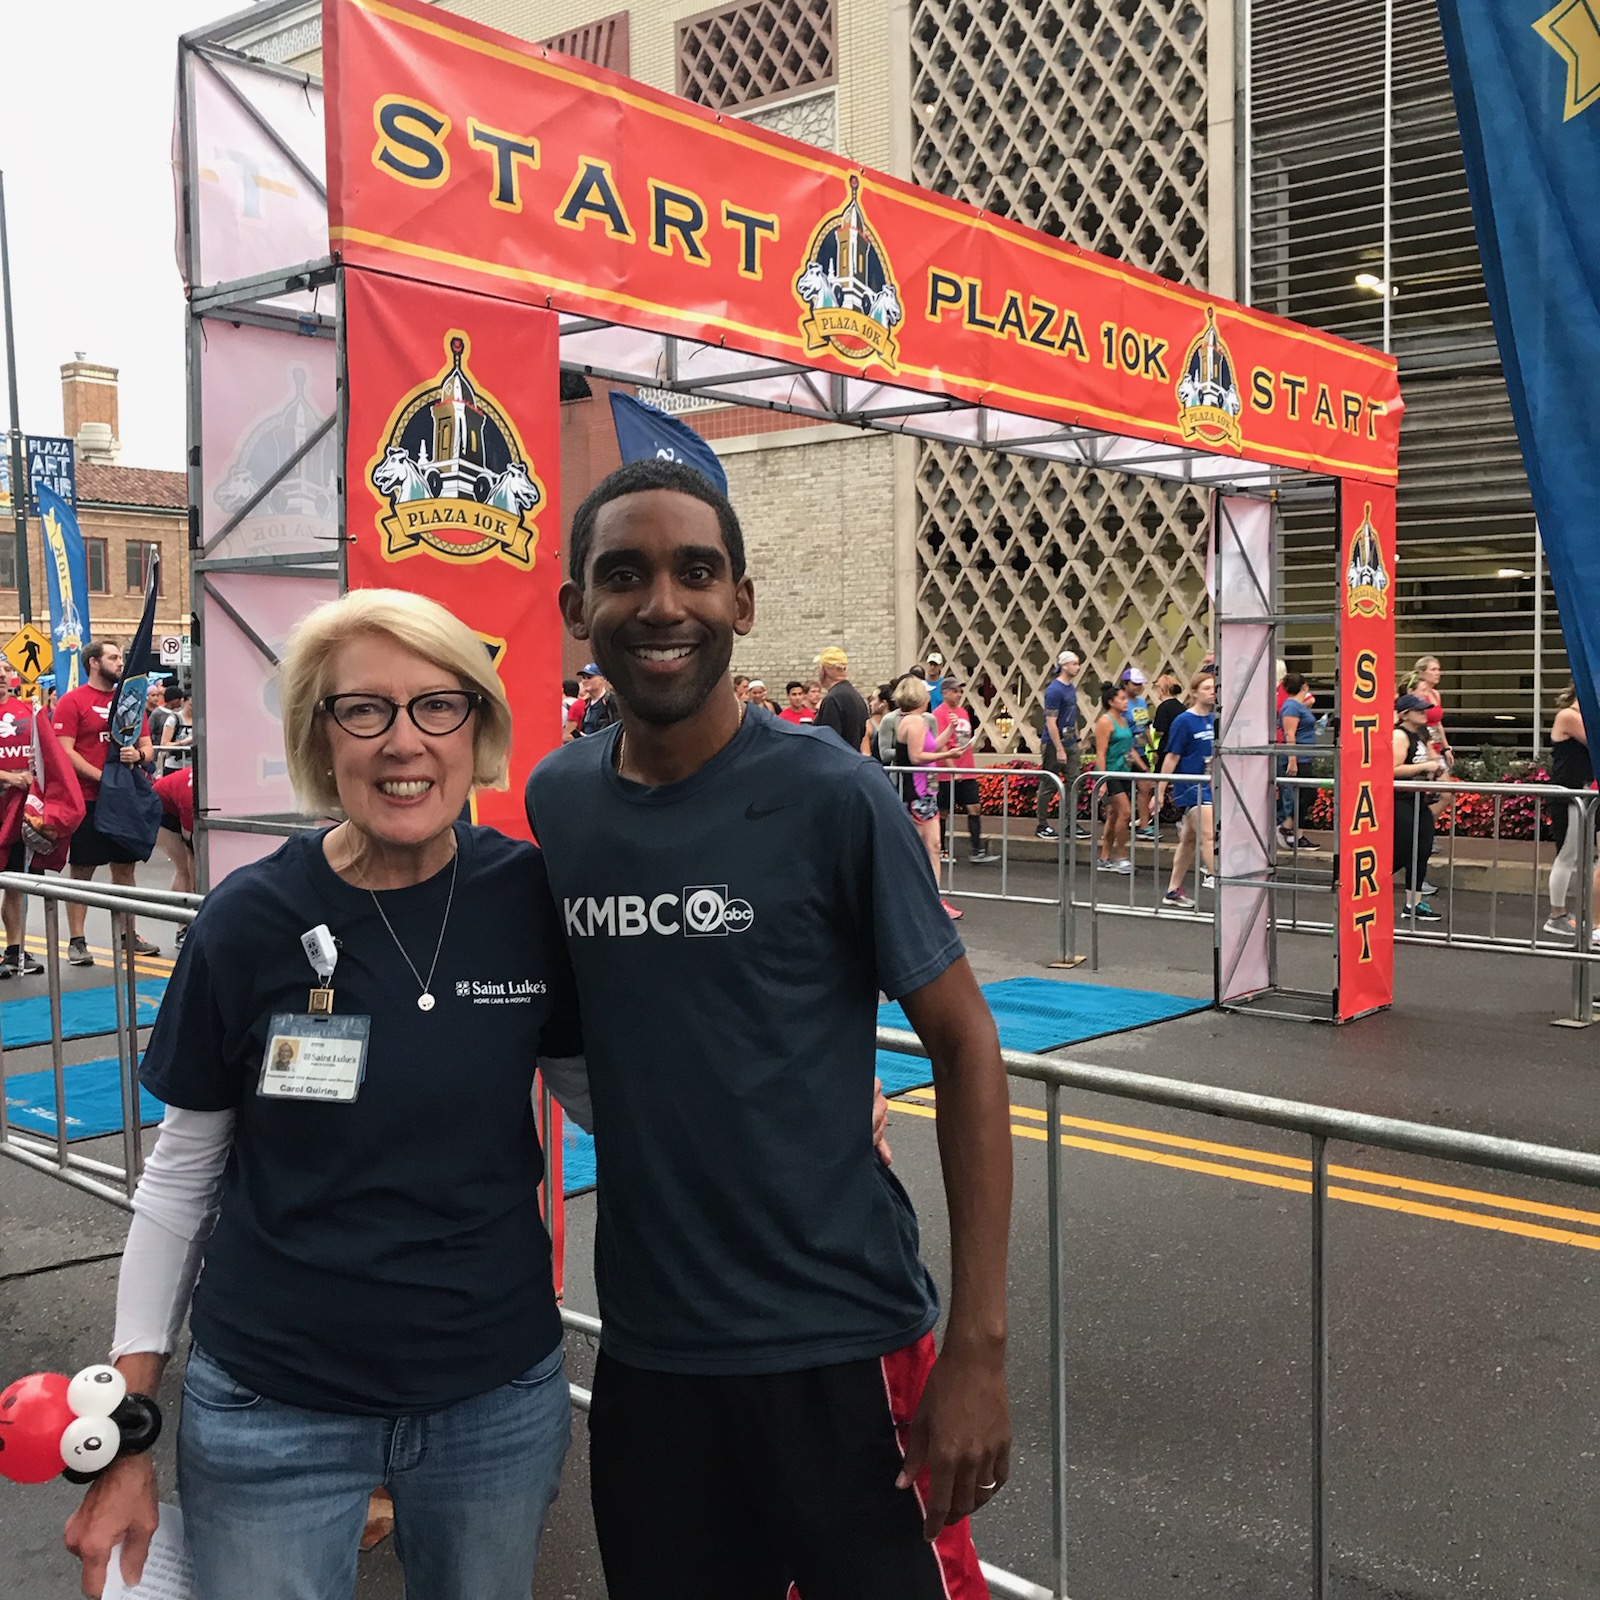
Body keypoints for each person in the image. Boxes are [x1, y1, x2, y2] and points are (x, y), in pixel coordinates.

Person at [529, 458, 1012, 1599]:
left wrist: (978, 1351)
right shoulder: (561, 799)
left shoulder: (833, 794)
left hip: (842, 1344)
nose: (661, 604)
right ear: (572, 610)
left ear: (740, 602)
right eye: (623, 575)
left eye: (696, 572)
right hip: (651, 1351)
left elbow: (965, 1043)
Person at [64, 589, 589, 1600]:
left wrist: (797, 1111)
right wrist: (125, 1435)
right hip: (273, 1408)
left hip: (494, 1397)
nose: (404, 742)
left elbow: (605, 1096)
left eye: (437, 705)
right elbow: (179, 1180)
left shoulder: (526, 897)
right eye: (364, 710)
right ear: (320, 734)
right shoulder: (249, 920)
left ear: (476, 723)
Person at [53, 640, 157, 965]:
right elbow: (64, 751)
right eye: (113, 657)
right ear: (94, 663)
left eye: (121, 657)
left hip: (122, 799)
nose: (120, 662)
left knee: (124, 870)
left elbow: (148, 748)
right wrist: (102, 777)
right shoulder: (72, 702)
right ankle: (77, 941)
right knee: (82, 870)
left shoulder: (129, 702)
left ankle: (128, 936)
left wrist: (137, 755)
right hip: (88, 800)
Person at [895, 676, 966, 919]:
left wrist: (950, 732)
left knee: (932, 847)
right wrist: (950, 752)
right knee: (928, 847)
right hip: (918, 791)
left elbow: (931, 747)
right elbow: (917, 756)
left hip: (923, 791)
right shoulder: (914, 722)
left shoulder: (915, 721)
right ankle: (927, 901)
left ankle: (931, 899)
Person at [0, 680, 47, 977]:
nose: (2, 676)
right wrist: (7, 776)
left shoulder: (27, 712)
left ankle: (15, 952)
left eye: (4, 670)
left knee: (15, 883)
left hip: (17, 812)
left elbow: (46, 755)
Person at [1158, 672, 1217, 909]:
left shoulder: (1214, 718)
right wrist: (1160, 790)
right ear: (1194, 693)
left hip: (1211, 784)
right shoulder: (1183, 721)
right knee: (1209, 833)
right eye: (1206, 688)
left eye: (1214, 688)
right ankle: (1218, 878)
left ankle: (1173, 890)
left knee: (1189, 841)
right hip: (1191, 786)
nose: (1212, 692)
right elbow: (1172, 756)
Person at [1544, 686, 1598, 940]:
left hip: (1585, 795)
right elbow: (1594, 741)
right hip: (1569, 794)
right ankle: (1556, 915)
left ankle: (1582, 913)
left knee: (1585, 857)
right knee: (1568, 855)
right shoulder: (1568, 716)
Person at [1394, 693, 1445, 922]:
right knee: (1401, 850)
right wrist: (1426, 766)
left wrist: (1438, 769)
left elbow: (1433, 759)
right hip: (1399, 800)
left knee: (1422, 848)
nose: (1424, 714)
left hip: (1418, 798)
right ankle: (1360, 885)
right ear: (1405, 714)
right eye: (1419, 710)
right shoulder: (1399, 736)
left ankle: (1413, 904)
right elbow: (1392, 770)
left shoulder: (1421, 734)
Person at [934, 678, 994, 863]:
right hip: (945, 772)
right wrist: (953, 769)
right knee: (943, 810)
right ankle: (942, 850)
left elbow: (963, 739)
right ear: (944, 693)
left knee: (974, 807)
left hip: (966, 768)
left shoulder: (963, 713)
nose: (959, 694)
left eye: (960, 691)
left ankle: (977, 850)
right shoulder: (938, 714)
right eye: (955, 691)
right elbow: (941, 745)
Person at [1093, 680, 1146, 875]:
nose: (1126, 702)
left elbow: (1129, 748)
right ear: (1111, 701)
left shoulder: (1124, 720)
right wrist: (1102, 781)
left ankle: (1104, 857)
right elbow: (1101, 752)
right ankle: (1121, 857)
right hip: (1111, 773)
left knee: (1115, 816)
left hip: (1125, 770)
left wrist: (1144, 768)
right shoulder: (1105, 721)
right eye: (1122, 699)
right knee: (1125, 813)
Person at [1036, 650, 1085, 841]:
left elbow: (1072, 717)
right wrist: (1059, 748)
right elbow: (1051, 721)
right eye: (1074, 663)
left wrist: (1077, 738)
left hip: (1071, 741)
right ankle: (1042, 824)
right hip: (1054, 743)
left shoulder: (1071, 689)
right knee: (1049, 783)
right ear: (1064, 666)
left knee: (1074, 782)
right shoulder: (1054, 690)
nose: (1077, 667)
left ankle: (1070, 823)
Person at [1276, 673, 1321, 852]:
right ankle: (1288, 826)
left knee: (1305, 794)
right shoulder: (1291, 707)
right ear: (1305, 687)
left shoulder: (1296, 706)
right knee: (1308, 794)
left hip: (1305, 755)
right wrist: (1292, 760)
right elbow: (1290, 734)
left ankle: (1296, 832)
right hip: (1298, 757)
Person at [815, 646, 870, 755]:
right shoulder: (856, 696)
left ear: (824, 670)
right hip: (851, 760)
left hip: (836, 765)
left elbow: (829, 741)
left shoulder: (832, 699)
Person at [563, 663, 618, 742]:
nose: (585, 681)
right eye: (583, 678)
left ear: (602, 679)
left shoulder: (611, 701)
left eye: (589, 677)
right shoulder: (585, 705)